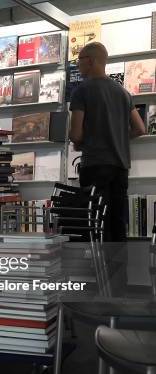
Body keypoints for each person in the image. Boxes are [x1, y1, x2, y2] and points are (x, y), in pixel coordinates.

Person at [69, 42, 146, 242]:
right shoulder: (123, 92)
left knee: (95, 225)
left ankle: (97, 272)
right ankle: (118, 273)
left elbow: (76, 135)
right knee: (117, 224)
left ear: (91, 61)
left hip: (94, 166)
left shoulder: (81, 91)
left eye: (80, 61)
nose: (78, 66)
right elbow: (140, 128)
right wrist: (117, 135)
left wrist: (85, 139)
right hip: (120, 168)